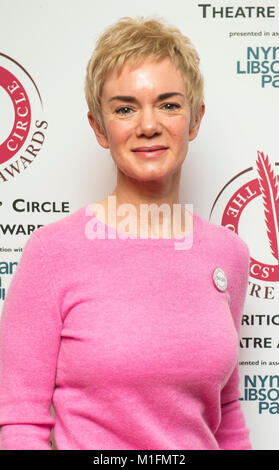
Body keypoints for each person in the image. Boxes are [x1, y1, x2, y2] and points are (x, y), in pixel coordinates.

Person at [0, 16, 251, 450]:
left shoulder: (228, 254)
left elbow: (225, 414)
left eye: (169, 105)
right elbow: (20, 421)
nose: (148, 125)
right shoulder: (53, 252)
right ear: (100, 127)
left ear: (194, 120)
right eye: (125, 108)